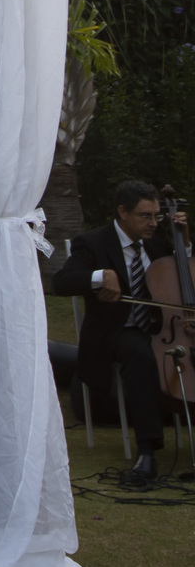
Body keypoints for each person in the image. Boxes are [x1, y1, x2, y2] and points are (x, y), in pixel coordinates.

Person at [53, 180, 192, 481]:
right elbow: (62, 282)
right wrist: (101, 275)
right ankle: (147, 451)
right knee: (140, 355)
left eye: (157, 216)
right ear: (122, 212)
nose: (154, 223)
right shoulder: (92, 243)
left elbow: (182, 276)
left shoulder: (156, 243)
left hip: (163, 328)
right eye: (146, 216)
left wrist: (183, 239)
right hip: (120, 329)